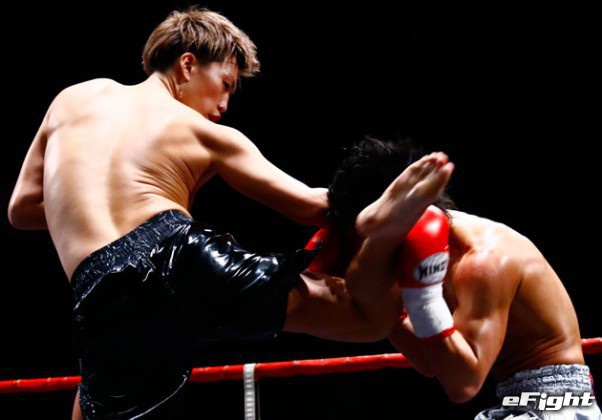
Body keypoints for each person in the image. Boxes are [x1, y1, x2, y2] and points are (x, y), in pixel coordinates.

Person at [7, 6, 454, 419]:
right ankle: (384, 223)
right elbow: (310, 206)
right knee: (363, 317)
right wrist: (374, 204)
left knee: (94, 406)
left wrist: (82, 203)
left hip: (97, 290)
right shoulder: (204, 134)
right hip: (177, 254)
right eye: (225, 84)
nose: (224, 107)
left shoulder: (74, 98)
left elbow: (21, 209)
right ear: (187, 65)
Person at [306, 136, 601, 419]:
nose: (368, 258)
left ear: (396, 216)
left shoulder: (483, 261)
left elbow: (463, 385)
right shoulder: (429, 254)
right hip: (516, 400)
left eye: (369, 245)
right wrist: (378, 301)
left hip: (559, 403)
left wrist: (419, 300)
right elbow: (432, 362)